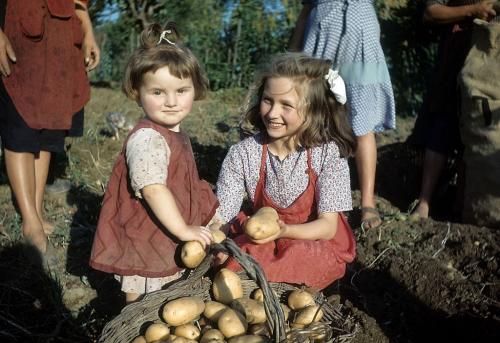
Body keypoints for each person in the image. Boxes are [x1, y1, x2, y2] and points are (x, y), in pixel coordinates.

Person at [89, 21, 221, 305]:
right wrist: (184, 230)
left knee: (167, 293)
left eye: (181, 91)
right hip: (145, 235)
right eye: (158, 92)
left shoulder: (174, 130)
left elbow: (181, 179)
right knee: (143, 296)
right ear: (138, 93)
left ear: (195, 90)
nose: (171, 101)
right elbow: (153, 189)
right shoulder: (147, 139)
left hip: (166, 227)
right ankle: (133, 325)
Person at [215, 52, 357, 291]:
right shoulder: (242, 154)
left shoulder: (328, 155)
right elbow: (224, 217)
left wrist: (285, 231)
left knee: (307, 256)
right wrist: (217, 240)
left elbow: (328, 226)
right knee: (241, 253)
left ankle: (299, 297)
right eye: (268, 100)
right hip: (262, 237)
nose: (272, 113)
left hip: (311, 238)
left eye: (286, 105)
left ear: (313, 111)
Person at [0, 0, 100, 266]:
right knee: (20, 123)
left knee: (50, 121)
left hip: (60, 34)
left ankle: (37, 212)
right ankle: (30, 225)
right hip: (17, 25)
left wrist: (87, 31)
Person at [290, 0, 396, 230]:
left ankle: (367, 201)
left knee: (361, 119)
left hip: (360, 29)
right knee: (314, 115)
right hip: (321, 27)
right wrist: (291, 55)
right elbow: (305, 9)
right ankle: (315, 199)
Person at [407, 0, 499, 219]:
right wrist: (473, 10)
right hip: (457, 53)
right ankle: (424, 201)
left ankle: (463, 203)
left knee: (480, 130)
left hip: (489, 56)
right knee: (444, 124)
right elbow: (431, 12)